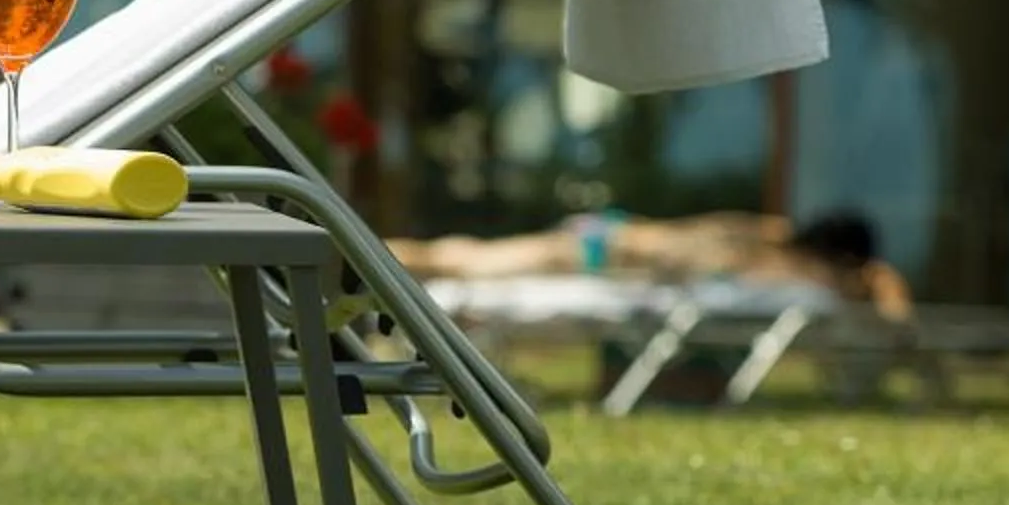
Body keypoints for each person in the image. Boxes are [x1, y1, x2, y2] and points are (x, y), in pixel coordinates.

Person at [390, 206, 914, 319]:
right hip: (601, 252)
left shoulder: (766, 234)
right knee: (460, 262)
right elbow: (888, 295)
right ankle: (363, 251)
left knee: (458, 257)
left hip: (610, 235)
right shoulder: (792, 268)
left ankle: (366, 251)